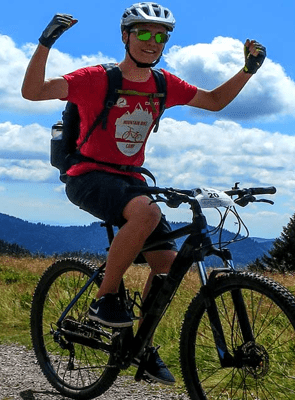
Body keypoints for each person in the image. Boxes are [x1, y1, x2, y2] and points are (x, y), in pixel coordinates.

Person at [21, 2, 266, 385]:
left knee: (166, 266)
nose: (153, 42)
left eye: (161, 36)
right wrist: (45, 43)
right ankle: (105, 298)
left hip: (131, 180)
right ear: (126, 36)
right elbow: (33, 91)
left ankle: (141, 345)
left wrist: (248, 70)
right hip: (87, 175)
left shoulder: (164, 85)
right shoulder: (97, 78)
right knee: (147, 213)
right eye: (144, 34)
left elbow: (215, 102)